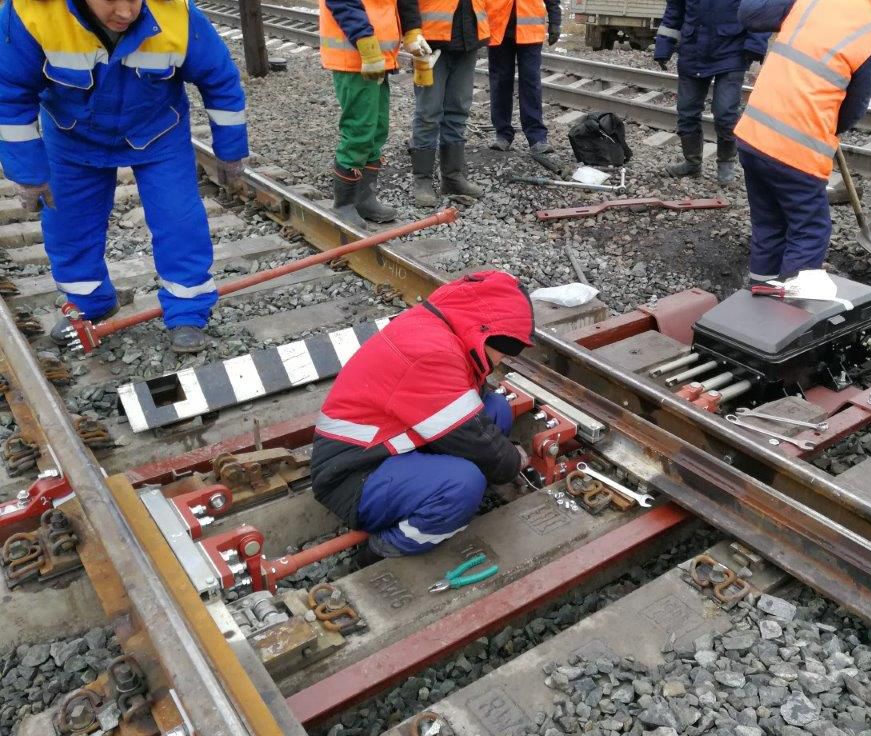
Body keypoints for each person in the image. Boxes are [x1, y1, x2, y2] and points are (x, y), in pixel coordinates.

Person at [0, 0, 249, 353]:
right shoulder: (31, 13)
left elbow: (220, 79)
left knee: (179, 221)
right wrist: (28, 173)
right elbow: (8, 94)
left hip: (158, 132)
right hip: (72, 138)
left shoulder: (176, 12)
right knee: (68, 225)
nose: (125, 12)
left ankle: (188, 312)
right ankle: (90, 302)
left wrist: (230, 150)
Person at [311, 270, 534, 560]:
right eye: (504, 353)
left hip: (387, 443)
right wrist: (513, 461)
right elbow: (471, 436)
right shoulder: (431, 354)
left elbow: (474, 415)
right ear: (485, 333)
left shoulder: (439, 328)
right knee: (463, 484)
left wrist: (501, 461)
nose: (502, 360)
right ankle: (381, 551)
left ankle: (444, 497)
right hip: (352, 473)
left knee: (496, 409)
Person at [734, 0, 871, 283]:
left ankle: (760, 294)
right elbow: (852, 109)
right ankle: (788, 314)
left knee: (769, 223)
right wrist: (830, 127)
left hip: (752, 135)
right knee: (809, 231)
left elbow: (751, 14)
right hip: (796, 151)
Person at [321, 0, 423, 227]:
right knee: (359, 129)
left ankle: (364, 199)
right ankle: (344, 203)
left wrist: (412, 31)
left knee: (377, 128)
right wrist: (366, 43)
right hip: (355, 56)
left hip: (378, 58)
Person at [653, 0, 768, 184]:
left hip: (732, 52)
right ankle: (692, 163)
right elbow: (674, 10)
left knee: (725, 113)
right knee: (687, 110)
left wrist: (755, 45)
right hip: (693, 51)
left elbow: (759, 9)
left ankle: (726, 165)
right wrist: (663, 46)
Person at [408, 0, 490, 207]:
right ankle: (423, 180)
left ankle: (452, 177)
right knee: (428, 112)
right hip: (430, 41)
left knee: (458, 110)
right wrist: (411, 32)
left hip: (468, 39)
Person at [484, 0, 561, 157]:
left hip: (530, 30)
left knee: (530, 83)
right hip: (498, 28)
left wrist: (555, 21)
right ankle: (502, 134)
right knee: (500, 83)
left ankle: (537, 137)